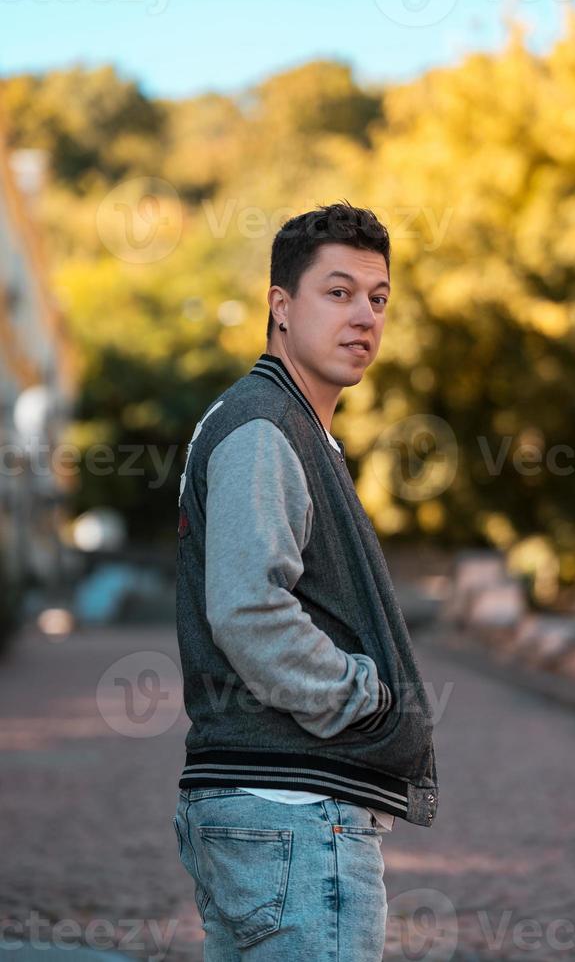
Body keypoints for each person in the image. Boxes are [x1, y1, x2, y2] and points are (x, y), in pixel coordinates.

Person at [172, 201, 438, 960]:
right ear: (280, 307)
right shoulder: (264, 426)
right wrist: (366, 698)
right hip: (293, 814)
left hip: (272, 817)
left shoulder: (285, 424)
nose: (364, 316)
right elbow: (249, 609)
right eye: (338, 291)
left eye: (378, 298)